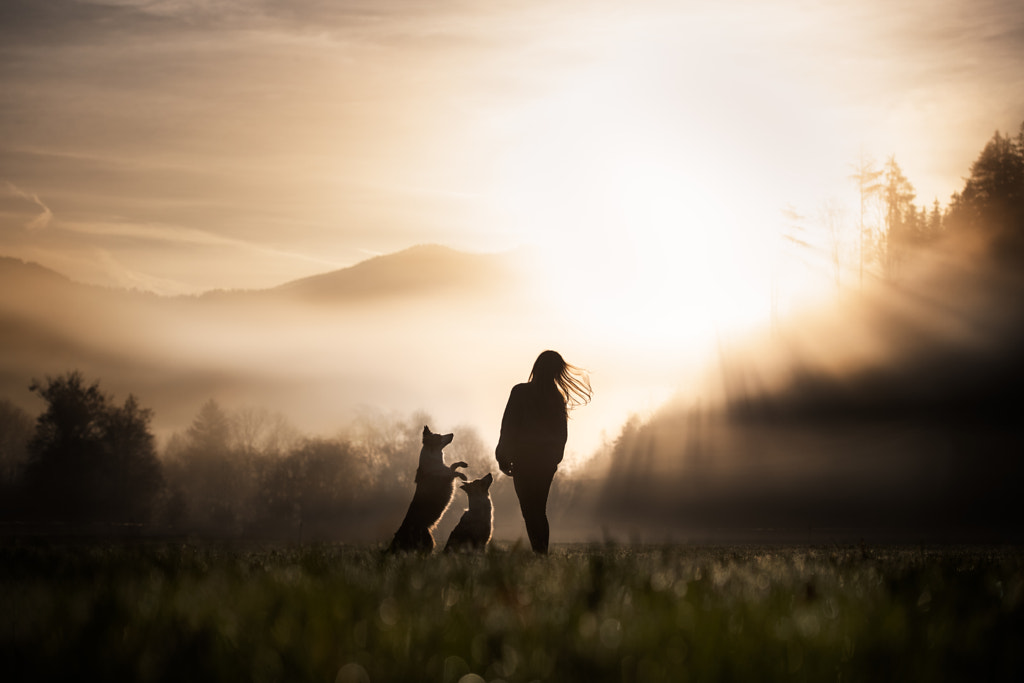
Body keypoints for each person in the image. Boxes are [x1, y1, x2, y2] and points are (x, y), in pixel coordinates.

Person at [495, 350, 592, 553]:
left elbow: (508, 426)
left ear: (536, 367)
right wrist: (554, 460)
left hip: (522, 461)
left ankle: (540, 553)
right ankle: (541, 554)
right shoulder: (556, 398)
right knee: (538, 510)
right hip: (544, 464)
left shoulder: (520, 392)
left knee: (530, 511)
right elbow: (561, 435)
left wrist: (502, 455)